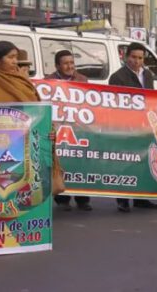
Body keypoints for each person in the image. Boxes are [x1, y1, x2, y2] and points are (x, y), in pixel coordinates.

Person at [109, 43, 157, 212]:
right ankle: (122, 199)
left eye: (140, 58)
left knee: (143, 160)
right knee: (125, 161)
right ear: (126, 57)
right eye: (133, 57)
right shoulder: (117, 77)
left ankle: (141, 197)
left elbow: (151, 96)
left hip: (144, 124)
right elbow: (114, 104)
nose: (136, 61)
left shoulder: (148, 74)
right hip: (126, 125)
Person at [46, 50, 91, 211]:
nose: (70, 66)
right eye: (66, 63)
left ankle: (83, 199)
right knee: (61, 162)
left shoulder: (83, 80)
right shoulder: (48, 82)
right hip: (58, 128)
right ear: (57, 65)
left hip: (78, 128)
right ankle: (62, 199)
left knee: (81, 162)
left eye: (72, 63)